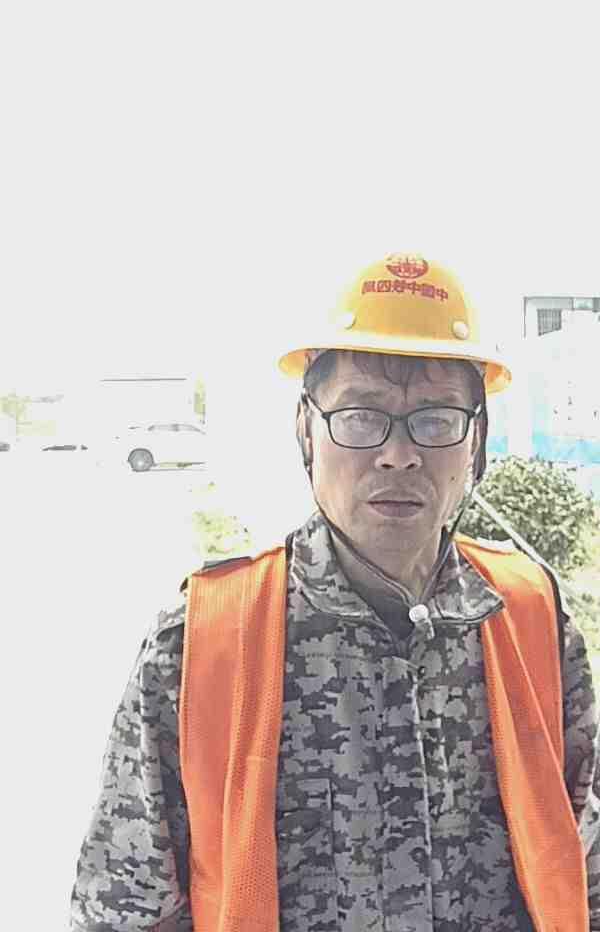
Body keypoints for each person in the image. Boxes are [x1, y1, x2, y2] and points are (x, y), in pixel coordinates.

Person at [70, 254, 600, 932]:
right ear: (306, 430)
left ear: (477, 441)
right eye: (359, 415)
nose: (399, 454)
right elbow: (122, 911)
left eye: (437, 419)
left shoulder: (532, 617)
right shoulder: (201, 640)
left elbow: (585, 869)